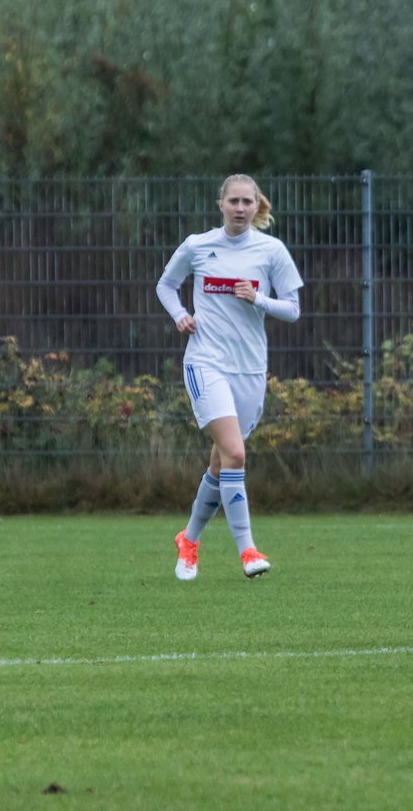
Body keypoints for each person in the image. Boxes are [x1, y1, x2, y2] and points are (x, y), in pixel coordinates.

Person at [156, 174, 304, 581]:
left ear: (258, 206)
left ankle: (188, 540)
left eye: (247, 202)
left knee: (223, 463)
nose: (240, 208)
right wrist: (180, 315)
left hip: (250, 370)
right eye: (233, 201)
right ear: (220, 204)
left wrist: (258, 298)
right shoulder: (198, 246)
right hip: (206, 363)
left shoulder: (271, 252)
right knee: (236, 455)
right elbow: (166, 286)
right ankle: (248, 550)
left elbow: (293, 309)